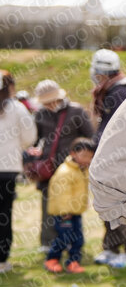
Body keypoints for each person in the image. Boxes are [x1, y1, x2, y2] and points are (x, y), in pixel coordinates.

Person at [89, 48, 126, 266]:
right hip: (111, 158)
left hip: (121, 159)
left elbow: (120, 128)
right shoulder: (111, 90)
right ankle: (111, 248)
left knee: (122, 205)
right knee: (108, 204)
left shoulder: (119, 92)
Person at [29, 80, 94, 250]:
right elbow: (34, 140)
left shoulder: (76, 111)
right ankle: (48, 242)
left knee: (71, 206)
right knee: (48, 206)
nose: (49, 105)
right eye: (46, 102)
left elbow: (89, 137)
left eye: (51, 100)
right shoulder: (40, 114)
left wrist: (82, 157)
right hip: (48, 168)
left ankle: (73, 242)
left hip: (72, 168)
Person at [0, 71, 37, 273]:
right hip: (7, 170)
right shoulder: (17, 108)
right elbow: (30, 137)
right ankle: (1, 260)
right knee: (4, 214)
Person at [43, 138, 95, 274]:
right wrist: (65, 211)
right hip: (64, 214)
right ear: (73, 153)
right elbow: (61, 194)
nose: (88, 159)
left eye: (90, 156)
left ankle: (73, 261)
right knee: (64, 237)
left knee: (78, 238)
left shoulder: (82, 170)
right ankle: (52, 259)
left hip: (75, 213)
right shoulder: (65, 172)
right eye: (84, 155)